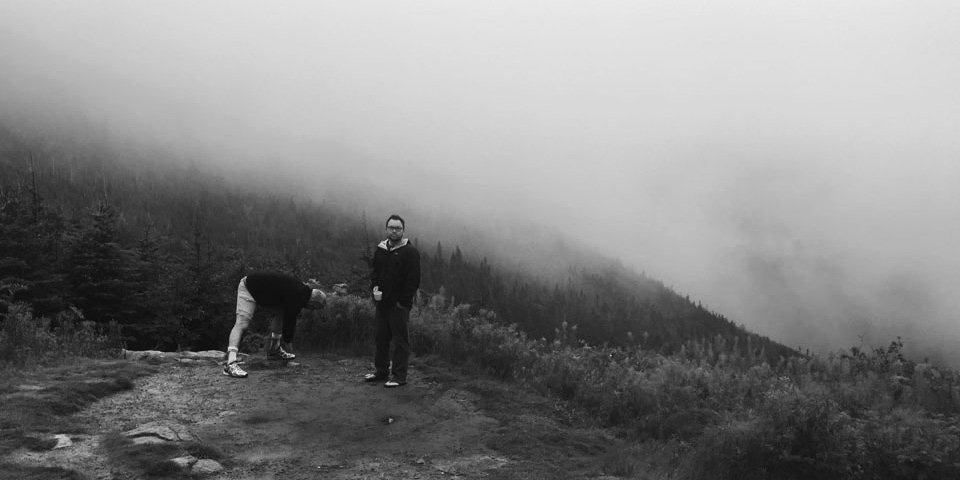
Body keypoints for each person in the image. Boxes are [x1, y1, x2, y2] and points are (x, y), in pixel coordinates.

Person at [222, 271, 330, 378]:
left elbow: (286, 317)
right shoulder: (297, 298)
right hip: (249, 287)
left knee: (280, 314)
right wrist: (290, 350)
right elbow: (289, 325)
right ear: (313, 302)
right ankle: (230, 363)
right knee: (242, 324)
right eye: (314, 308)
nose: (311, 310)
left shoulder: (301, 291)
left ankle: (274, 350)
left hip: (260, 289)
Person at [364, 214, 421, 388]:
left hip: (399, 305)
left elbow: (413, 280)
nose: (394, 231)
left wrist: (403, 301)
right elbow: (375, 273)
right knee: (381, 338)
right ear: (386, 229)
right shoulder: (381, 250)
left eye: (398, 228)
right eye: (391, 227)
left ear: (403, 231)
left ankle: (399, 376)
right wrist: (374, 288)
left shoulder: (410, 252)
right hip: (382, 303)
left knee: (400, 341)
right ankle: (381, 372)